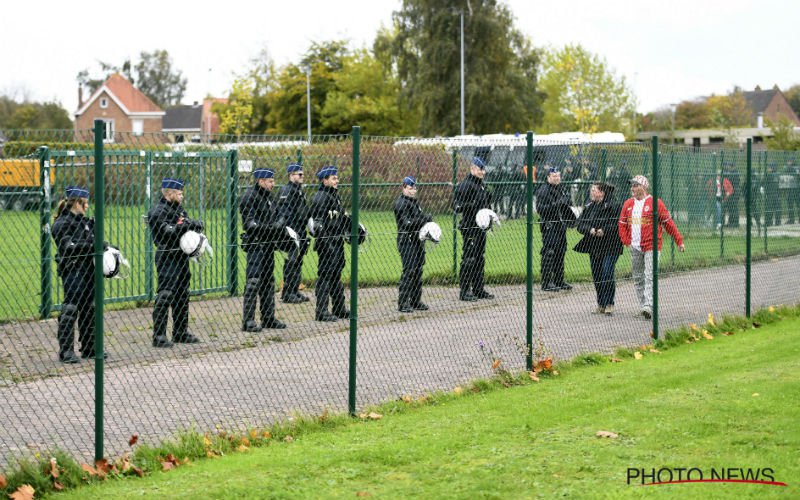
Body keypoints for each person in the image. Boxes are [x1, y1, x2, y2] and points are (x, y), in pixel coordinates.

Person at [618, 175, 685, 319]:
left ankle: (648, 305)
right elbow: (622, 224)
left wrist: (679, 241)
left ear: (644, 187)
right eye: (632, 186)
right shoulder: (628, 204)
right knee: (638, 278)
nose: (633, 188)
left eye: (636, 185)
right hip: (635, 247)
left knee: (649, 275)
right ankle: (644, 306)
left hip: (652, 246)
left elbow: (668, 223)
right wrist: (626, 242)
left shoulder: (656, 203)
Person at [147, 178, 204, 347]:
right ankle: (159, 336)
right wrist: (187, 225)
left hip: (181, 256)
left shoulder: (179, 210)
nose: (182, 196)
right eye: (179, 193)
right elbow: (168, 232)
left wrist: (190, 224)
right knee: (165, 294)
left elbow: (188, 225)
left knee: (182, 294)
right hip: (167, 256)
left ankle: (180, 332)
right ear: (169, 193)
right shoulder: (158, 212)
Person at [51, 186, 100, 363]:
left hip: (88, 269)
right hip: (72, 269)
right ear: (76, 203)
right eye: (84, 204)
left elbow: (94, 243)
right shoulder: (61, 223)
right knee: (71, 308)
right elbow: (68, 247)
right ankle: (66, 351)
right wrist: (92, 247)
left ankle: (89, 347)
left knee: (89, 307)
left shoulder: (86, 222)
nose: (87, 207)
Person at [239, 168, 288, 332]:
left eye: (273, 181)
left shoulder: (269, 197)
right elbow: (250, 224)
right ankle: (248, 321)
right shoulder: (249, 197)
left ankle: (268, 318)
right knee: (253, 282)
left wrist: (279, 224)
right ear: (260, 181)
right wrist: (272, 228)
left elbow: (280, 215)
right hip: (256, 245)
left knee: (268, 282)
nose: (273, 184)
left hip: (268, 246)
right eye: (270, 181)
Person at [573, 183, 623, 315]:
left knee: (607, 272)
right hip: (594, 246)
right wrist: (590, 230)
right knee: (597, 275)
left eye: (594, 190)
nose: (591, 192)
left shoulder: (614, 206)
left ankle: (609, 303)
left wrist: (604, 230)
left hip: (611, 245)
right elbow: (580, 224)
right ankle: (601, 304)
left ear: (602, 193)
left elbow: (618, 223)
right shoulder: (590, 206)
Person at [309, 166, 350, 322]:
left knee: (335, 276)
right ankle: (321, 311)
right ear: (324, 180)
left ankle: (339, 308)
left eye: (336, 178)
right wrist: (326, 243)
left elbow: (340, 218)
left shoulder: (334, 196)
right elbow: (317, 224)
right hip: (327, 243)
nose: (337, 180)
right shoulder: (321, 197)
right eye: (333, 178)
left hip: (337, 241)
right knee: (325, 276)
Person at [454, 157, 494, 302]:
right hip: (470, 227)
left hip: (481, 228)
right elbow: (456, 207)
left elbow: (485, 206)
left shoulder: (481, 185)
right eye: (479, 169)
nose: (482, 172)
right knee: (469, 259)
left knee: (479, 258)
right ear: (472, 169)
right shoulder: (466, 185)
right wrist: (471, 204)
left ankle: (478, 289)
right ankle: (465, 291)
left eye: (483, 169)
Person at [393, 176, 433, 312]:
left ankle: (416, 301)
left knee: (418, 271)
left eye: (414, 188)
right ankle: (403, 303)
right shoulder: (401, 204)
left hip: (417, 241)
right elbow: (406, 223)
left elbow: (417, 220)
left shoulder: (414, 203)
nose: (413, 191)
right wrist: (423, 219)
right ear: (404, 188)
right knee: (409, 271)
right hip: (406, 241)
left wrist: (425, 221)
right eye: (410, 188)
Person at [535, 167, 576, 292]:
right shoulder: (543, 190)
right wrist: (556, 204)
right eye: (554, 176)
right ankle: (547, 282)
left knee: (561, 251)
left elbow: (565, 205)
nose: (557, 178)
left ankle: (559, 280)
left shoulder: (561, 188)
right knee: (549, 252)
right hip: (550, 225)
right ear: (548, 177)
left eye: (558, 175)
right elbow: (540, 209)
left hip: (561, 225)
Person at [278, 163, 310, 304]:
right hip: (292, 232)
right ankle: (287, 293)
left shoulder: (299, 190)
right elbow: (284, 213)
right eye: (299, 174)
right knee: (291, 261)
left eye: (302, 174)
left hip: (301, 230)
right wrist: (290, 232)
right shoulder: (287, 190)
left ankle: (295, 290)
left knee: (298, 261)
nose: (302, 176)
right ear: (291, 175)